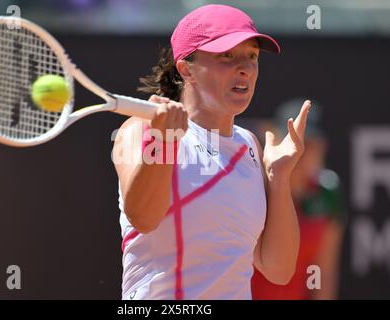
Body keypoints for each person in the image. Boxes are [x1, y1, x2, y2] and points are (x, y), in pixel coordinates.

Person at [112, 4, 311, 300]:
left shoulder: (249, 146)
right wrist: (165, 144)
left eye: (252, 56)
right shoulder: (140, 129)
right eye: (226, 56)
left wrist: (278, 179)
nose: (245, 67)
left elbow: (278, 269)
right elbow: (143, 217)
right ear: (186, 68)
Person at [251, 99, 346, 300]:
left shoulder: (327, 194)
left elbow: (322, 272)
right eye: (293, 140)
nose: (299, 151)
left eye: (309, 144)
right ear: (275, 140)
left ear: (322, 149)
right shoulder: (252, 189)